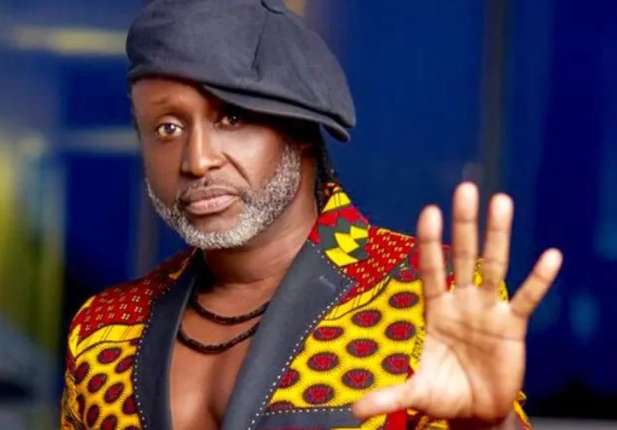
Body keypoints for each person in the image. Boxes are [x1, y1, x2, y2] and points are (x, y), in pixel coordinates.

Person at [60, 0, 563, 429]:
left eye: (231, 118)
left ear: (299, 128)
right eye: (167, 128)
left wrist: (488, 423)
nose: (197, 160)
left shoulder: (426, 296)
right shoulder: (103, 331)